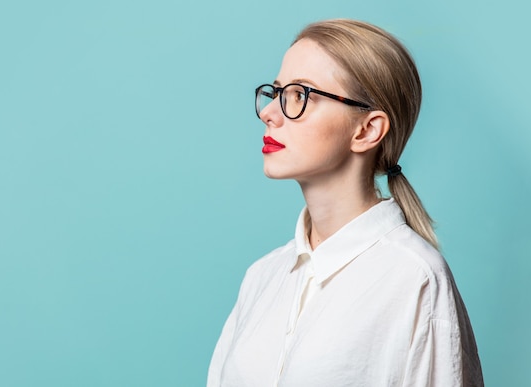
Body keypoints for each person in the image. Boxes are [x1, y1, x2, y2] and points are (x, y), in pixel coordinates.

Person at [207, 19, 483, 386]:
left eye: (300, 95)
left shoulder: (415, 279)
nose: (269, 113)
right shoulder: (261, 277)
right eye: (275, 93)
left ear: (367, 130)